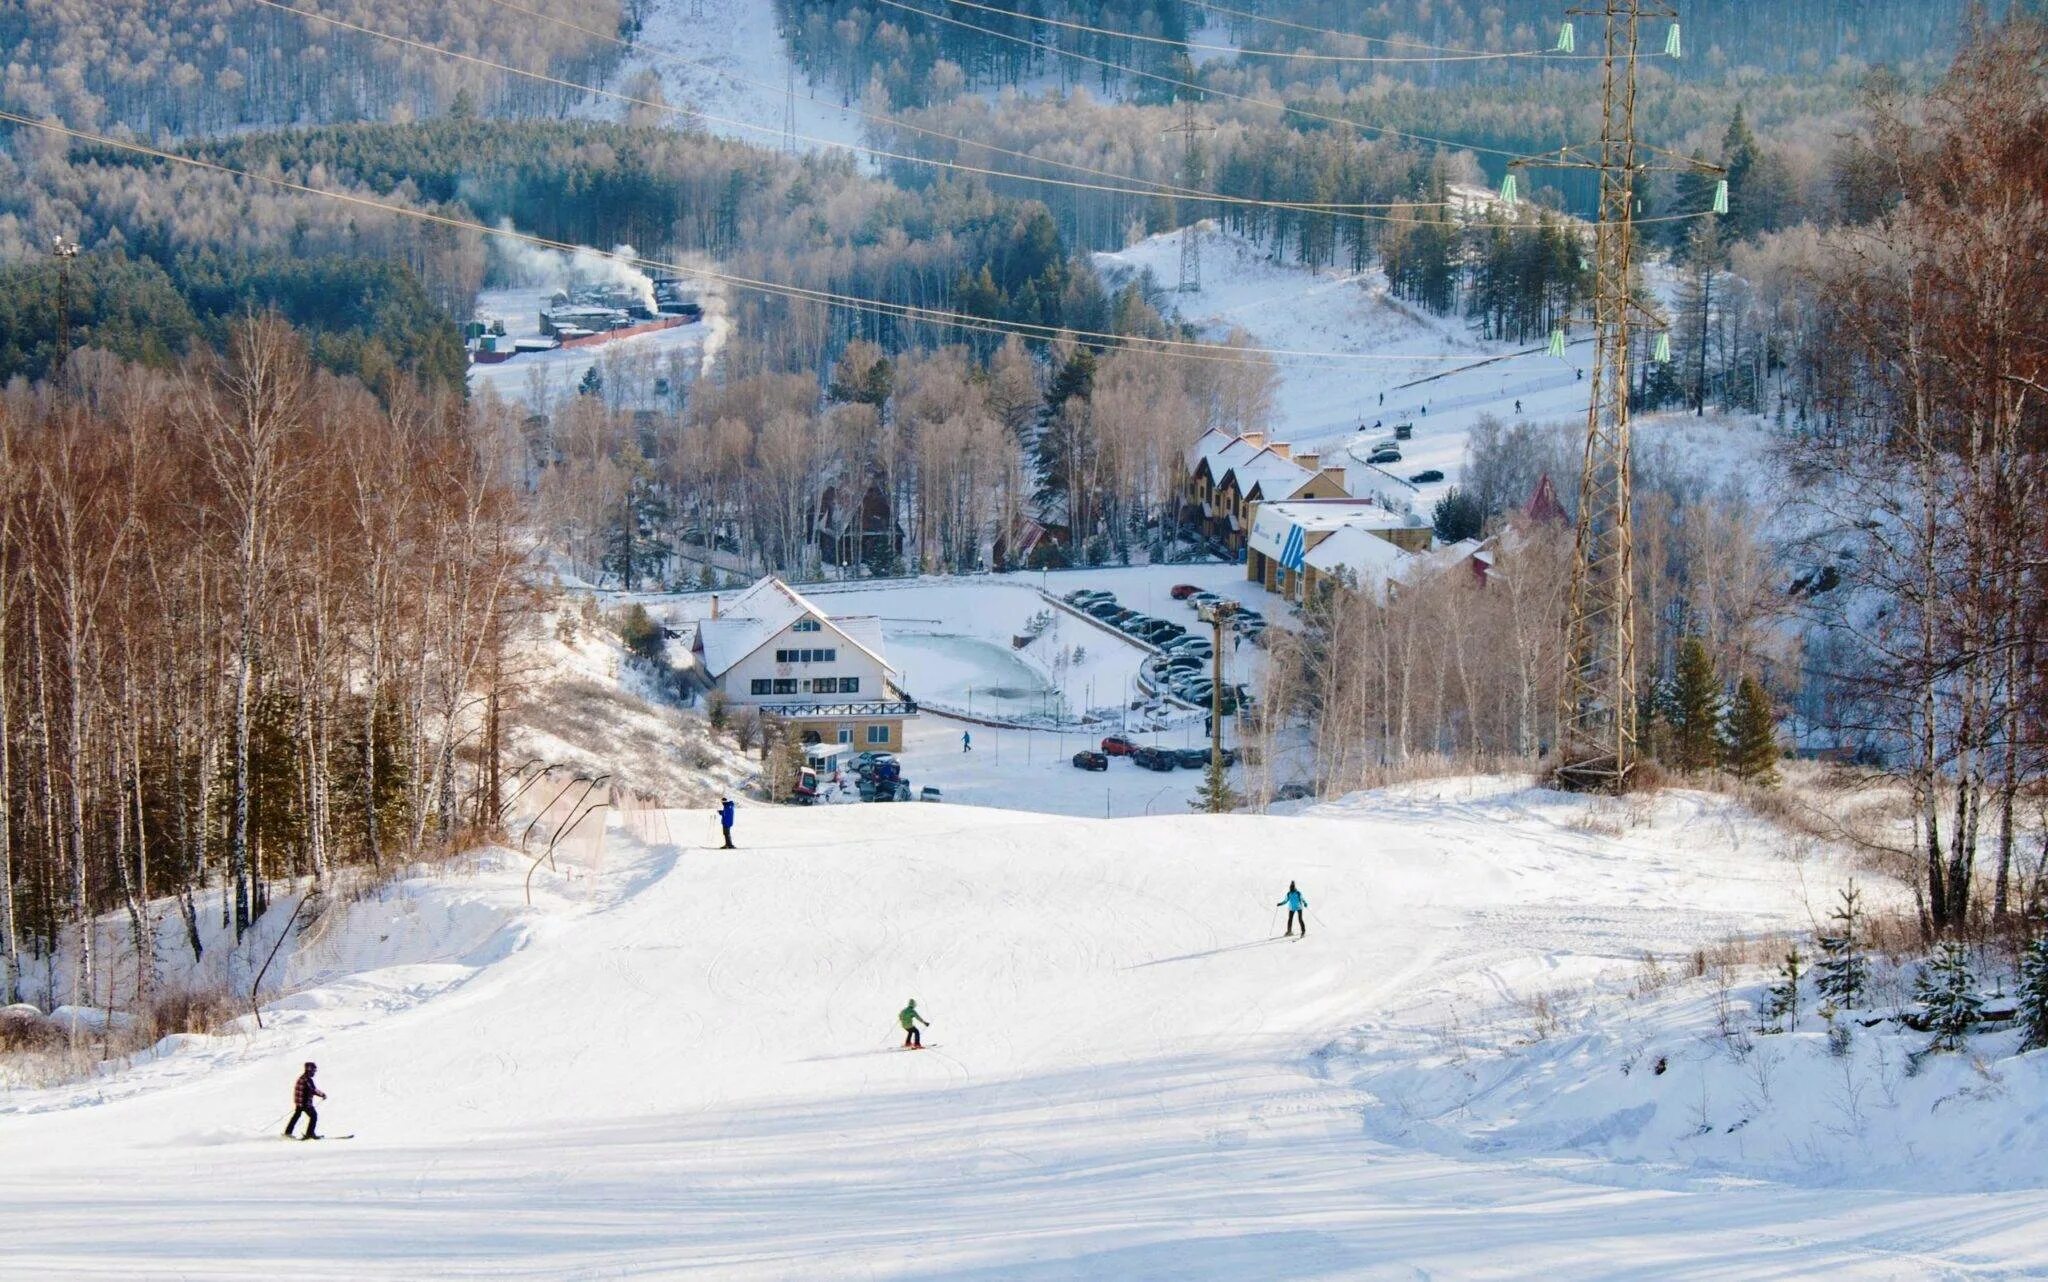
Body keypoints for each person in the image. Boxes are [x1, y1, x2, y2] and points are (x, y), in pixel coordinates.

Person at [284, 1061, 325, 1140]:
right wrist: (322, 1095)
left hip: (299, 1103)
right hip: (305, 1103)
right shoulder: (307, 1080)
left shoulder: (302, 1077)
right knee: (314, 1116)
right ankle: (310, 1134)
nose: (314, 1072)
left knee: (296, 1116)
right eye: (313, 1070)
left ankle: (288, 1132)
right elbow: (313, 1090)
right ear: (309, 1070)